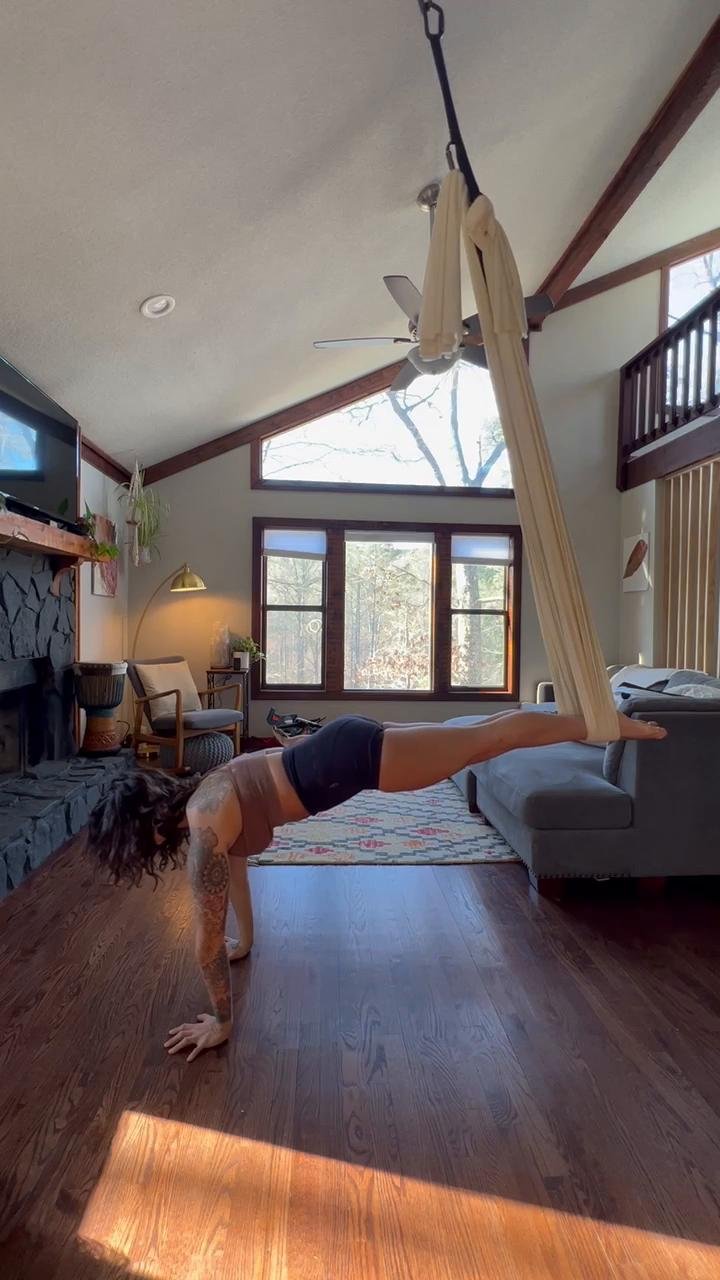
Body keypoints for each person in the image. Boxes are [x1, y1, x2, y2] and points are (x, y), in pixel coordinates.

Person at [88, 709, 667, 1060]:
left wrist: (221, 1020)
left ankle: (610, 724)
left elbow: (204, 939)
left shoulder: (206, 823)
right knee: (485, 734)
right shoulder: (208, 798)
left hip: (357, 760)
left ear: (151, 835)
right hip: (344, 744)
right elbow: (237, 883)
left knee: (492, 738)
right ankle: (601, 719)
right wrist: (248, 941)